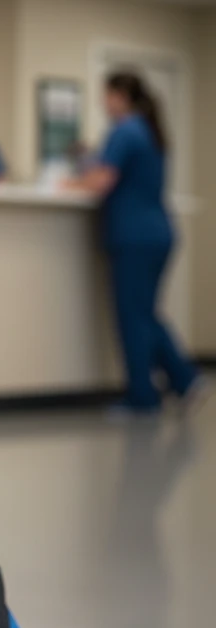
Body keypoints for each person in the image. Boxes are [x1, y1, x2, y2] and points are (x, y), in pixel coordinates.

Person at [66, 71, 202, 412]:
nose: (102, 103)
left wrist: (69, 185)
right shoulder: (147, 129)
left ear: (120, 95)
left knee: (133, 317)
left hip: (134, 237)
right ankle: (184, 379)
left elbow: (101, 181)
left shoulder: (124, 130)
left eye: (106, 95)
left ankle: (142, 398)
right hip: (157, 233)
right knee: (144, 313)